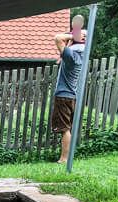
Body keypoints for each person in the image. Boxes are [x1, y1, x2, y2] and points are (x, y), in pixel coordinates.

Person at [51, 20, 88, 164]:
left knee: (64, 129)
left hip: (64, 96)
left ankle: (64, 159)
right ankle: (65, 157)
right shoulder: (80, 56)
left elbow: (57, 38)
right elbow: (61, 58)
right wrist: (74, 38)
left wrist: (73, 35)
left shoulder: (72, 57)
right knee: (66, 128)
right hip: (72, 96)